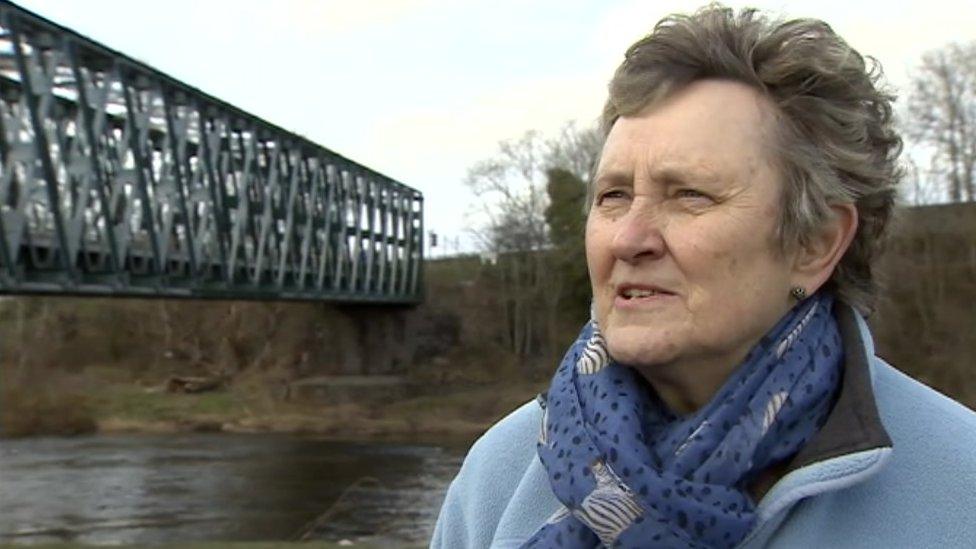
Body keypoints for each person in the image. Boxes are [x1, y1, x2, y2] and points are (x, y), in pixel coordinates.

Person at [431, 4, 976, 549]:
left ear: (816, 242)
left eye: (690, 194)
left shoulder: (959, 488)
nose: (628, 238)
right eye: (613, 195)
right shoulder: (500, 476)